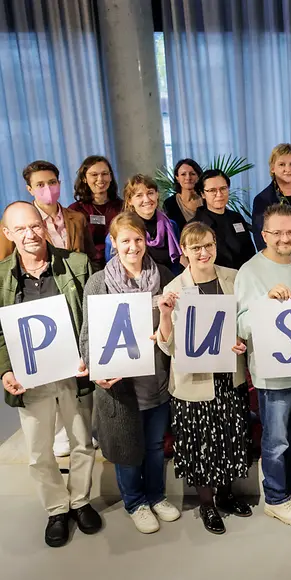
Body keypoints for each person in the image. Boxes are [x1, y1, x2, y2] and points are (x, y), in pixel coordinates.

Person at [0, 202, 101, 548]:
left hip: (73, 374)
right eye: (20, 229)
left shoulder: (75, 263)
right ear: (8, 234)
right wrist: (4, 370)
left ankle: (81, 500)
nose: (30, 234)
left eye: (35, 225)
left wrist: (90, 357)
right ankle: (57, 508)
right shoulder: (1, 277)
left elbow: (92, 318)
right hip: (30, 380)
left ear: (43, 226)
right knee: (39, 451)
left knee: (81, 442)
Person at [79, 212, 181, 534]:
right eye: (125, 240)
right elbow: (88, 334)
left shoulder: (164, 275)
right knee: (126, 450)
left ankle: (157, 495)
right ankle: (135, 502)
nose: (133, 246)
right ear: (113, 243)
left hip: (156, 380)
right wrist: (96, 369)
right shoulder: (99, 282)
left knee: (153, 446)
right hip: (119, 386)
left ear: (146, 241)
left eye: (138, 239)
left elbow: (176, 326)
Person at [156, 222, 251, 535]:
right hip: (193, 381)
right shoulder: (174, 289)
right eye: (195, 247)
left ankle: (226, 494)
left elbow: (244, 323)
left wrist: (242, 340)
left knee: (227, 437)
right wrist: (166, 315)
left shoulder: (234, 279)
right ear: (184, 251)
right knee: (200, 444)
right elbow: (166, 345)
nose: (203, 252)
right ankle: (207, 503)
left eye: (208, 245)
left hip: (228, 374)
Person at [235, 203, 291, 526]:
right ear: (264, 235)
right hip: (272, 375)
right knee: (276, 440)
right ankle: (276, 497)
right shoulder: (250, 271)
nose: (285, 238)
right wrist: (266, 304)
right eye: (278, 232)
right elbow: (240, 325)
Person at [0, 161, 96, 263]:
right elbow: (4, 263)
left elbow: (91, 257)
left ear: (59, 183)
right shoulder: (14, 222)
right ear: (30, 189)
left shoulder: (78, 218)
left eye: (52, 182)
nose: (48, 188)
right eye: (40, 184)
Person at [107, 175, 182, 272]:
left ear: (157, 195)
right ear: (130, 201)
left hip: (168, 282)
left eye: (150, 193)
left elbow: (176, 264)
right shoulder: (120, 230)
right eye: (139, 195)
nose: (146, 199)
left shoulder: (171, 226)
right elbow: (112, 266)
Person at [192, 169, 256, 270]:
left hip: (244, 276)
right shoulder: (195, 225)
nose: (219, 194)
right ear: (202, 194)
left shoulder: (237, 218)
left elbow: (250, 252)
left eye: (223, 188)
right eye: (212, 190)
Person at [69, 155, 123, 269]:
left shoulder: (123, 207)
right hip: (89, 269)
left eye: (104, 174)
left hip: (121, 266)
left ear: (111, 177)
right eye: (94, 175)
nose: (100, 179)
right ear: (84, 178)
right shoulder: (75, 211)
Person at [162, 158, 203, 227]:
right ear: (177, 178)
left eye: (192, 174)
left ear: (198, 177)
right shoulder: (169, 204)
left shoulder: (207, 199)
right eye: (183, 174)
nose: (188, 178)